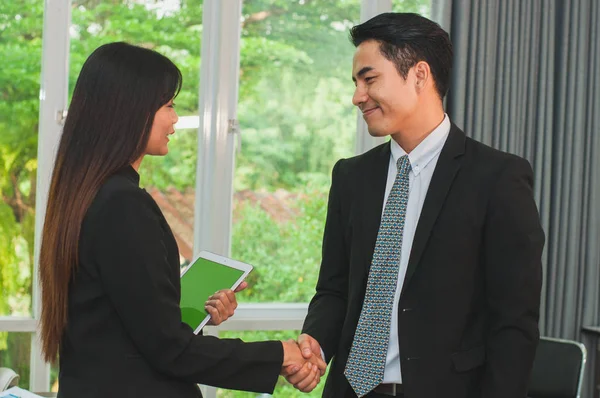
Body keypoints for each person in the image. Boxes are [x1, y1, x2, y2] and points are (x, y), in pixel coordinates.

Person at [38, 42, 325, 398]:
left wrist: (191, 312)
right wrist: (280, 353)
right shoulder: (122, 205)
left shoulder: (86, 196)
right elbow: (168, 349)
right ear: (129, 109)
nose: (175, 118)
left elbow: (126, 323)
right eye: (168, 105)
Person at [284, 12, 545, 398]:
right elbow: (335, 289)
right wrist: (315, 345)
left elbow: (513, 324)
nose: (357, 96)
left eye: (369, 79)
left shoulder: (498, 178)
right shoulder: (351, 177)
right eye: (356, 83)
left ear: (419, 75)